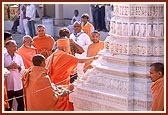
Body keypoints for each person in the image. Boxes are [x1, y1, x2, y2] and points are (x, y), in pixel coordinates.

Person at [46, 39, 97, 111]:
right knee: (62, 101)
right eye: (68, 47)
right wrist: (94, 58)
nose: (69, 49)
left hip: (51, 82)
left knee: (55, 101)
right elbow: (80, 60)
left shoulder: (53, 55)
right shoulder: (64, 55)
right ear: (64, 48)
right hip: (61, 83)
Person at [4, 40, 25, 111]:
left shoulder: (19, 57)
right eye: (13, 46)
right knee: (8, 105)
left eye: (16, 46)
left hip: (18, 84)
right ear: (7, 47)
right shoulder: (3, 57)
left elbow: (23, 69)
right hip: (8, 85)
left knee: (21, 103)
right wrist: (8, 67)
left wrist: (18, 67)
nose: (15, 48)